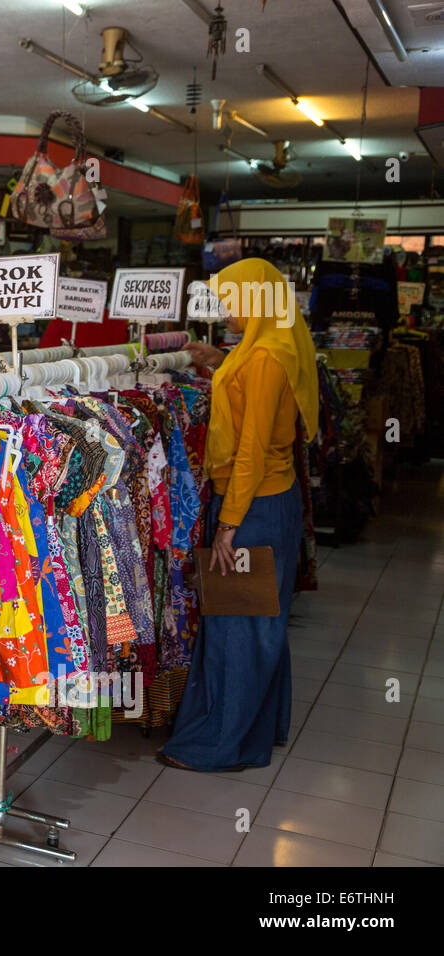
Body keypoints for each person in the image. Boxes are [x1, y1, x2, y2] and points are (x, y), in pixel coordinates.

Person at [159, 258, 319, 773]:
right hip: (264, 501)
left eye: (232, 299)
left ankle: (221, 745)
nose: (225, 308)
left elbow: (250, 450)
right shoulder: (267, 345)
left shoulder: (268, 358)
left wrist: (228, 526)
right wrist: (217, 357)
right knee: (254, 623)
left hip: (254, 507)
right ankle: (254, 728)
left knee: (238, 626)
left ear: (254, 299)